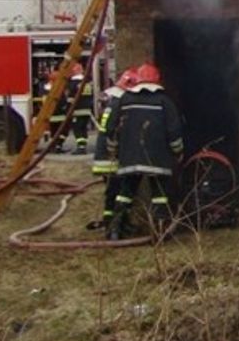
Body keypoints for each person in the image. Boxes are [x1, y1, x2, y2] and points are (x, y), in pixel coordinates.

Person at [107, 61, 184, 241]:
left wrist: (115, 150)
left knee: (125, 193)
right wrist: (177, 152)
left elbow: (111, 127)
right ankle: (158, 232)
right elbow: (174, 131)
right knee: (159, 195)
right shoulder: (164, 102)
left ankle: (115, 230)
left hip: (130, 158)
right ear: (157, 80)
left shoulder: (124, 100)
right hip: (157, 159)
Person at [88, 67, 138, 232]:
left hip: (106, 156)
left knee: (114, 191)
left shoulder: (114, 101)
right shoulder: (120, 103)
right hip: (110, 158)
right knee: (119, 191)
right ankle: (114, 225)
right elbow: (112, 130)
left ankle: (116, 223)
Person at [68, 62, 94, 155]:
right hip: (87, 109)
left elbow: (70, 98)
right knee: (83, 128)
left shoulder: (73, 83)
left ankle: (81, 147)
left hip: (77, 109)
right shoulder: (87, 82)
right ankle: (83, 146)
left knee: (77, 128)